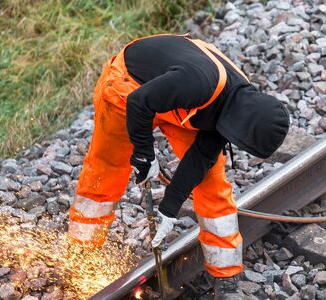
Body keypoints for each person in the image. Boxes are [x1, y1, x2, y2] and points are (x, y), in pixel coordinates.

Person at [66, 33, 290, 299]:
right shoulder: (198, 84)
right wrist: (144, 154)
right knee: (105, 175)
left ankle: (226, 277)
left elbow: (200, 160)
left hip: (182, 104)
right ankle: (81, 257)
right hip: (129, 88)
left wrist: (169, 208)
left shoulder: (240, 107)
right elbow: (140, 102)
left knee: (213, 186)